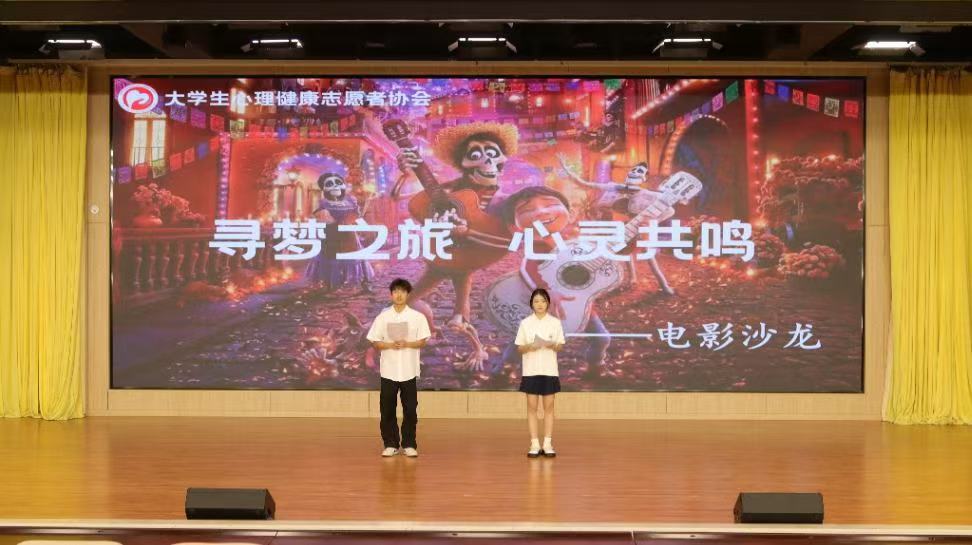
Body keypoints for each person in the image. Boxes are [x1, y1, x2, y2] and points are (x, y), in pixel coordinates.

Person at [366, 278, 431, 458]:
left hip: (409, 370)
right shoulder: (383, 317)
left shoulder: (417, 317)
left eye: (402, 291)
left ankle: (409, 444)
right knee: (387, 409)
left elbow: (423, 341)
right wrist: (389, 345)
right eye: (395, 291)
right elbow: (374, 341)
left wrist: (407, 343)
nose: (399, 295)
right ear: (391, 294)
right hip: (389, 370)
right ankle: (390, 444)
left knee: (410, 409)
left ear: (408, 294)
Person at [514, 288, 566, 458]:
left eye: (543, 301)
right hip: (531, 370)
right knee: (532, 407)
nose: (540, 304)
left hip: (549, 370)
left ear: (548, 303)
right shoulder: (525, 323)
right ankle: (534, 443)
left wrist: (552, 345)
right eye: (536, 301)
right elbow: (520, 348)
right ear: (531, 304)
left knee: (549, 407)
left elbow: (560, 346)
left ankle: (548, 443)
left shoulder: (555, 322)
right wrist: (531, 346)